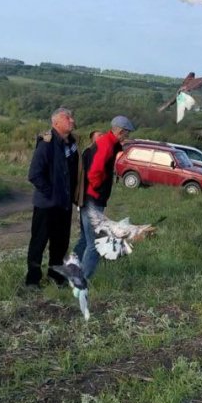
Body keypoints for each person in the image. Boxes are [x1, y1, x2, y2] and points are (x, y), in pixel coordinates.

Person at [73, 115, 135, 280]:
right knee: (95, 243)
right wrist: (96, 189)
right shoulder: (106, 144)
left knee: (85, 240)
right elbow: (94, 172)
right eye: (126, 133)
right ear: (120, 131)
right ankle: (82, 280)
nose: (127, 136)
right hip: (93, 199)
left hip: (89, 198)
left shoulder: (109, 143)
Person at [25, 107, 79, 287]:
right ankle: (32, 281)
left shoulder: (71, 144)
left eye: (71, 117)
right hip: (46, 205)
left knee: (60, 243)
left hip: (64, 205)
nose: (71, 120)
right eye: (67, 117)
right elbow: (34, 174)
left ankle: (56, 277)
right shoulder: (46, 144)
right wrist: (51, 194)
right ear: (56, 123)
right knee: (38, 244)